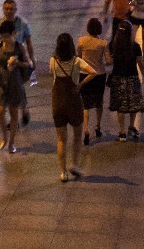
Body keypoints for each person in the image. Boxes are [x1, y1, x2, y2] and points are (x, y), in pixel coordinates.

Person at [49, 32, 93, 181]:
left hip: (58, 102)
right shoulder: (76, 62)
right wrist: (80, 84)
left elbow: (52, 75)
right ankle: (74, 165)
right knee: (77, 136)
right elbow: (93, 72)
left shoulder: (53, 61)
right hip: (73, 102)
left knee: (61, 139)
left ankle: (63, 172)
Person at [0, 0, 37, 118]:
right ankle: (17, 113)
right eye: (6, 8)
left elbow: (29, 42)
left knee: (19, 84)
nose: (8, 11)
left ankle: (22, 107)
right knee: (11, 84)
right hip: (4, 55)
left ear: (16, 10)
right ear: (3, 9)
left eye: (11, 9)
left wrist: (31, 60)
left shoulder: (23, 23)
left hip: (20, 56)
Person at [107, 21, 144, 141]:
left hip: (117, 78)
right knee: (133, 105)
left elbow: (109, 60)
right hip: (132, 78)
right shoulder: (135, 46)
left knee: (120, 106)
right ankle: (131, 126)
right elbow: (140, 64)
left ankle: (122, 132)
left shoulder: (113, 45)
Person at [0, 20, 28, 153]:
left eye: (7, 36)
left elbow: (28, 64)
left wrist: (17, 62)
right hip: (1, 81)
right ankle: (4, 136)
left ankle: (11, 142)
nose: (4, 39)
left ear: (14, 33)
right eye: (2, 36)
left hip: (15, 82)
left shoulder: (20, 47)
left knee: (13, 113)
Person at [77, 18, 110, 144]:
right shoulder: (103, 43)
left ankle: (85, 129)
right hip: (99, 76)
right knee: (98, 102)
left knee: (85, 104)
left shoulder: (81, 41)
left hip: (84, 74)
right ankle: (97, 126)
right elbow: (108, 61)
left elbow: (78, 57)